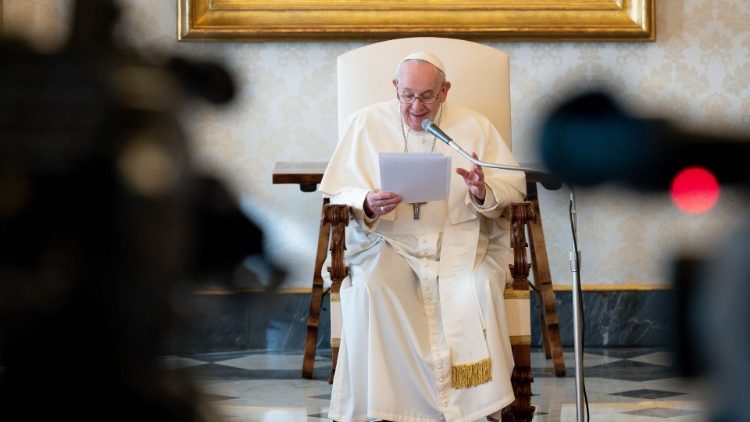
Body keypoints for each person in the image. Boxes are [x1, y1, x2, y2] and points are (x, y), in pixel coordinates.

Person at [319, 51, 527, 422]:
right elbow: (337, 193)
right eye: (407, 95)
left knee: (477, 286)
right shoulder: (364, 124)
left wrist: (481, 190)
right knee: (372, 288)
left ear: (444, 91)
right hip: (388, 243)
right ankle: (388, 407)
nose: (416, 107)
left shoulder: (474, 126)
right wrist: (367, 201)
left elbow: (511, 183)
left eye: (427, 96)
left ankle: (475, 407)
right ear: (395, 88)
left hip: (459, 244)